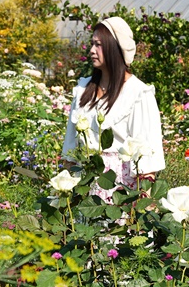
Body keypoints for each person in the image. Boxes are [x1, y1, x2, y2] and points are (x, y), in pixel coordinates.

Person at [62, 16, 165, 198]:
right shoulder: (84, 89)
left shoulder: (138, 93)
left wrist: (142, 204)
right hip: (85, 186)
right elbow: (70, 146)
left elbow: (147, 152)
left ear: (115, 49)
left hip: (120, 190)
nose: (92, 51)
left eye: (99, 45)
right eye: (92, 44)